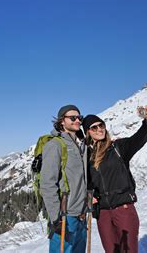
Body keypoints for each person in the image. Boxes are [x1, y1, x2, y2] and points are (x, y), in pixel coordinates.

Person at [83, 105, 147, 253]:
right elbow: (87, 182)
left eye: (101, 125)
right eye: (94, 128)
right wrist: (89, 195)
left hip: (123, 209)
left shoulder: (118, 148)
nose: (99, 129)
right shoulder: (87, 156)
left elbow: (138, 139)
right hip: (102, 213)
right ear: (88, 133)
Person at [40, 104, 87, 253]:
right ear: (62, 121)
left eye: (79, 117)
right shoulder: (55, 145)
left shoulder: (82, 145)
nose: (77, 120)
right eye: (72, 118)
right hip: (65, 216)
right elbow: (47, 184)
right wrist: (55, 218)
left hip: (82, 214)